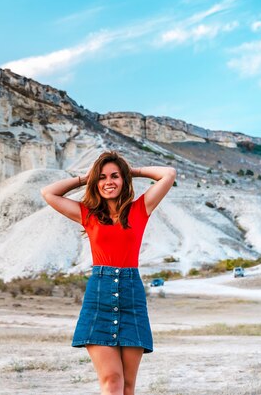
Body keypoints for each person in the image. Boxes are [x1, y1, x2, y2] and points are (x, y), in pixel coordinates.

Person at [40, 150, 176, 395]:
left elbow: (168, 174)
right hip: (99, 297)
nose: (108, 182)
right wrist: (85, 178)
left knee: (128, 385)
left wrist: (130, 170)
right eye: (102, 178)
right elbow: (48, 192)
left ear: (123, 179)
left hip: (131, 295)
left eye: (114, 176)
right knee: (112, 381)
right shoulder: (89, 215)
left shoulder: (140, 209)